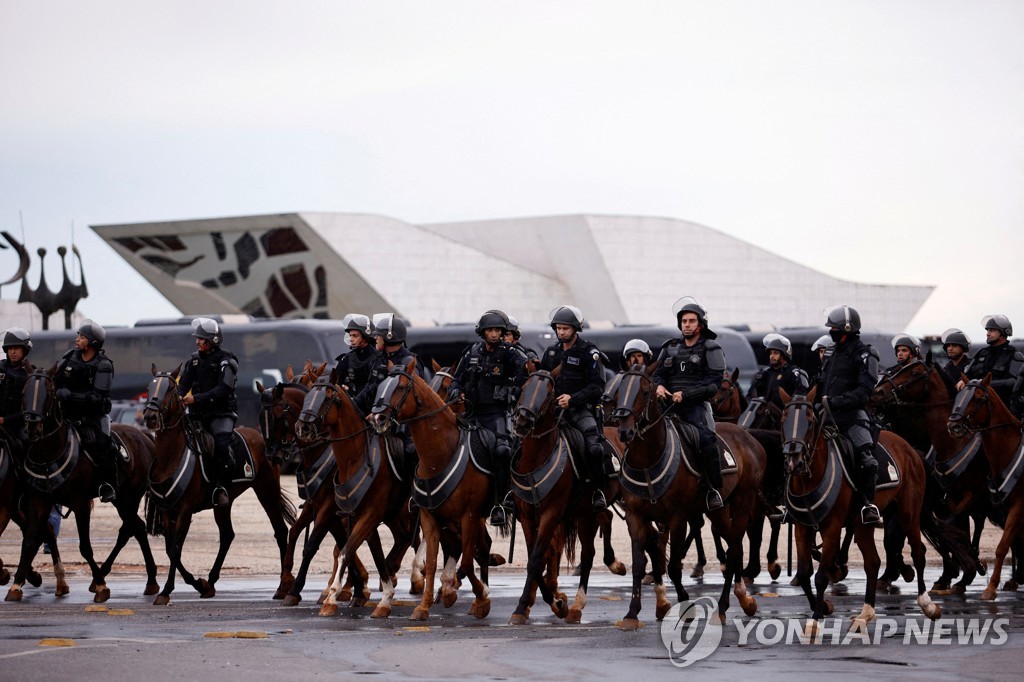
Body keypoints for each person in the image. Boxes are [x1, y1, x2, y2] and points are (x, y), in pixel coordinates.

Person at [449, 310, 528, 526]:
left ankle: (501, 503)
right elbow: (456, 379)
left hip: (497, 414)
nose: (493, 334)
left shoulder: (512, 354)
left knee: (502, 451)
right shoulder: (471, 352)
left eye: (497, 330)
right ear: (482, 332)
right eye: (489, 330)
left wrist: (511, 392)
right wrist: (456, 391)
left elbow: (525, 380)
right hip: (471, 413)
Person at [652, 297, 727, 511]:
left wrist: (686, 394)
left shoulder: (711, 348)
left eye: (691, 321)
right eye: (684, 321)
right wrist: (658, 386)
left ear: (700, 324)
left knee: (707, 442)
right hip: (666, 405)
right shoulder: (670, 347)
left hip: (696, 409)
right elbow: (658, 373)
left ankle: (713, 490)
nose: (687, 324)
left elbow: (714, 384)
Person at [539, 305, 610, 509]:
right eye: (558, 328)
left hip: (581, 410)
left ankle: (598, 490)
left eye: (565, 329)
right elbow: (542, 380)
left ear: (575, 329)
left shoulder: (589, 352)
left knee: (594, 448)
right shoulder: (551, 352)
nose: (561, 332)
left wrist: (573, 399)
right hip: (553, 411)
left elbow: (597, 386)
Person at [818, 305, 882, 525]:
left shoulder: (865, 353)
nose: (831, 332)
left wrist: (836, 402)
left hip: (852, 417)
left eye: (834, 328)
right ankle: (793, 504)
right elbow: (822, 384)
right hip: (825, 416)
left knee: (868, 460)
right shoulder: (832, 352)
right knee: (797, 447)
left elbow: (864, 392)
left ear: (847, 328)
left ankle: (868, 503)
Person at [54, 320, 118, 503]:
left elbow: (97, 398)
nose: (77, 339)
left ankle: (107, 484)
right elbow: (55, 381)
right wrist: (58, 392)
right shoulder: (69, 357)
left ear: (92, 342)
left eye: (82, 337)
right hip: (67, 415)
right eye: (78, 336)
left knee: (104, 444)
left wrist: (70, 395)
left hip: (93, 417)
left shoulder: (103, 365)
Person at [177, 318, 239, 507]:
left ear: (213, 340)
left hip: (221, 414)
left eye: (201, 339)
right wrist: (178, 396)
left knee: (220, 446)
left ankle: (221, 487)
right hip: (197, 414)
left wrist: (196, 399)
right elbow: (184, 383)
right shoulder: (194, 359)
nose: (197, 342)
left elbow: (224, 389)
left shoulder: (227, 360)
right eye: (197, 338)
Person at [359, 313, 423, 460]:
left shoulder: (408, 362)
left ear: (389, 337)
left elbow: (409, 399)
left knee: (409, 453)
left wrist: (381, 415)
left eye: (379, 336)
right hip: (376, 418)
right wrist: (351, 403)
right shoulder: (378, 359)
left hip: (402, 425)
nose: (375, 338)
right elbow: (370, 387)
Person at [959, 315, 1024, 417]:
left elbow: (1014, 382)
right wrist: (962, 380)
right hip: (977, 408)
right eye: (987, 330)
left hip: (1003, 411)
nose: (988, 333)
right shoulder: (981, 353)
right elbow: (967, 375)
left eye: (992, 330)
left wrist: (983, 385)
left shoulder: (1015, 355)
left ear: (1003, 333)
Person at [747, 333, 809, 410]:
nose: (772, 356)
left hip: (786, 417)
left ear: (784, 355)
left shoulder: (794, 374)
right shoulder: (763, 374)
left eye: (775, 353)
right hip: (764, 417)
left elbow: (801, 400)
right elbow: (750, 397)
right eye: (770, 353)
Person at [0, 327, 34, 446]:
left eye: (16, 348)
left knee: (27, 444)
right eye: (10, 348)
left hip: (17, 425)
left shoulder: (30, 375)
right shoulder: (0, 368)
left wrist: (6, 420)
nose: (12, 352)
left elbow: (31, 408)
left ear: (24, 350)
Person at [333, 314, 377, 398]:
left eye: (355, 336)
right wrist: (343, 386)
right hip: (350, 404)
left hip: (370, 405)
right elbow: (336, 381)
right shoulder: (346, 358)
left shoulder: (378, 358)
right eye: (350, 335)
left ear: (365, 336)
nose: (351, 339)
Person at [937, 328, 972, 394]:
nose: (950, 349)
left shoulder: (973, 366)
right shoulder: (946, 369)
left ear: (963, 347)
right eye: (948, 346)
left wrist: (966, 381)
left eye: (954, 345)